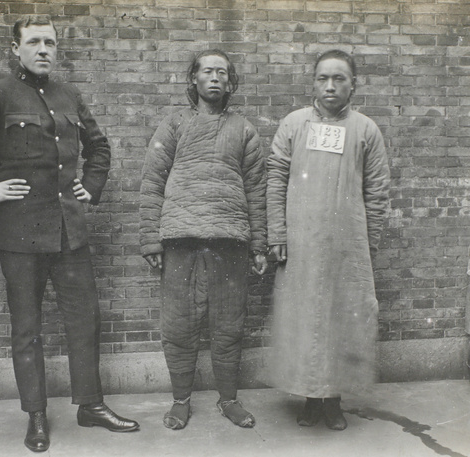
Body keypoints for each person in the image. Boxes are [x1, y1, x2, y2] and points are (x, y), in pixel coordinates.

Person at [0, 15, 139, 453]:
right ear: (16, 49)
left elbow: (99, 146)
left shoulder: (69, 96)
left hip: (69, 232)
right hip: (18, 233)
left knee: (86, 321)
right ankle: (37, 416)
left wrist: (91, 186)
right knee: (28, 327)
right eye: (35, 42)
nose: (44, 50)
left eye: (51, 43)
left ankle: (90, 405)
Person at [139, 49, 268, 430]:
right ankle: (181, 401)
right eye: (207, 71)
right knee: (179, 326)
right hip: (181, 242)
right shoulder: (174, 125)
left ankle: (228, 400)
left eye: (222, 73)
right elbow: (152, 182)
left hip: (230, 242)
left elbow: (257, 190)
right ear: (193, 79)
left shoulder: (244, 129)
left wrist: (259, 245)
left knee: (229, 325)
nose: (214, 77)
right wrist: (150, 240)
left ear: (231, 82)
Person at [266, 49, 390, 431]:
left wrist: (368, 242)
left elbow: (378, 190)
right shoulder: (294, 124)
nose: (331, 86)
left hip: (346, 243)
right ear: (313, 83)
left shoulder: (365, 129)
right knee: (304, 318)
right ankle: (309, 397)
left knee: (339, 318)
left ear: (354, 84)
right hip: (301, 242)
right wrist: (277, 233)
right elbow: (275, 179)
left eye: (339, 79)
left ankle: (333, 400)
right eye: (323, 78)